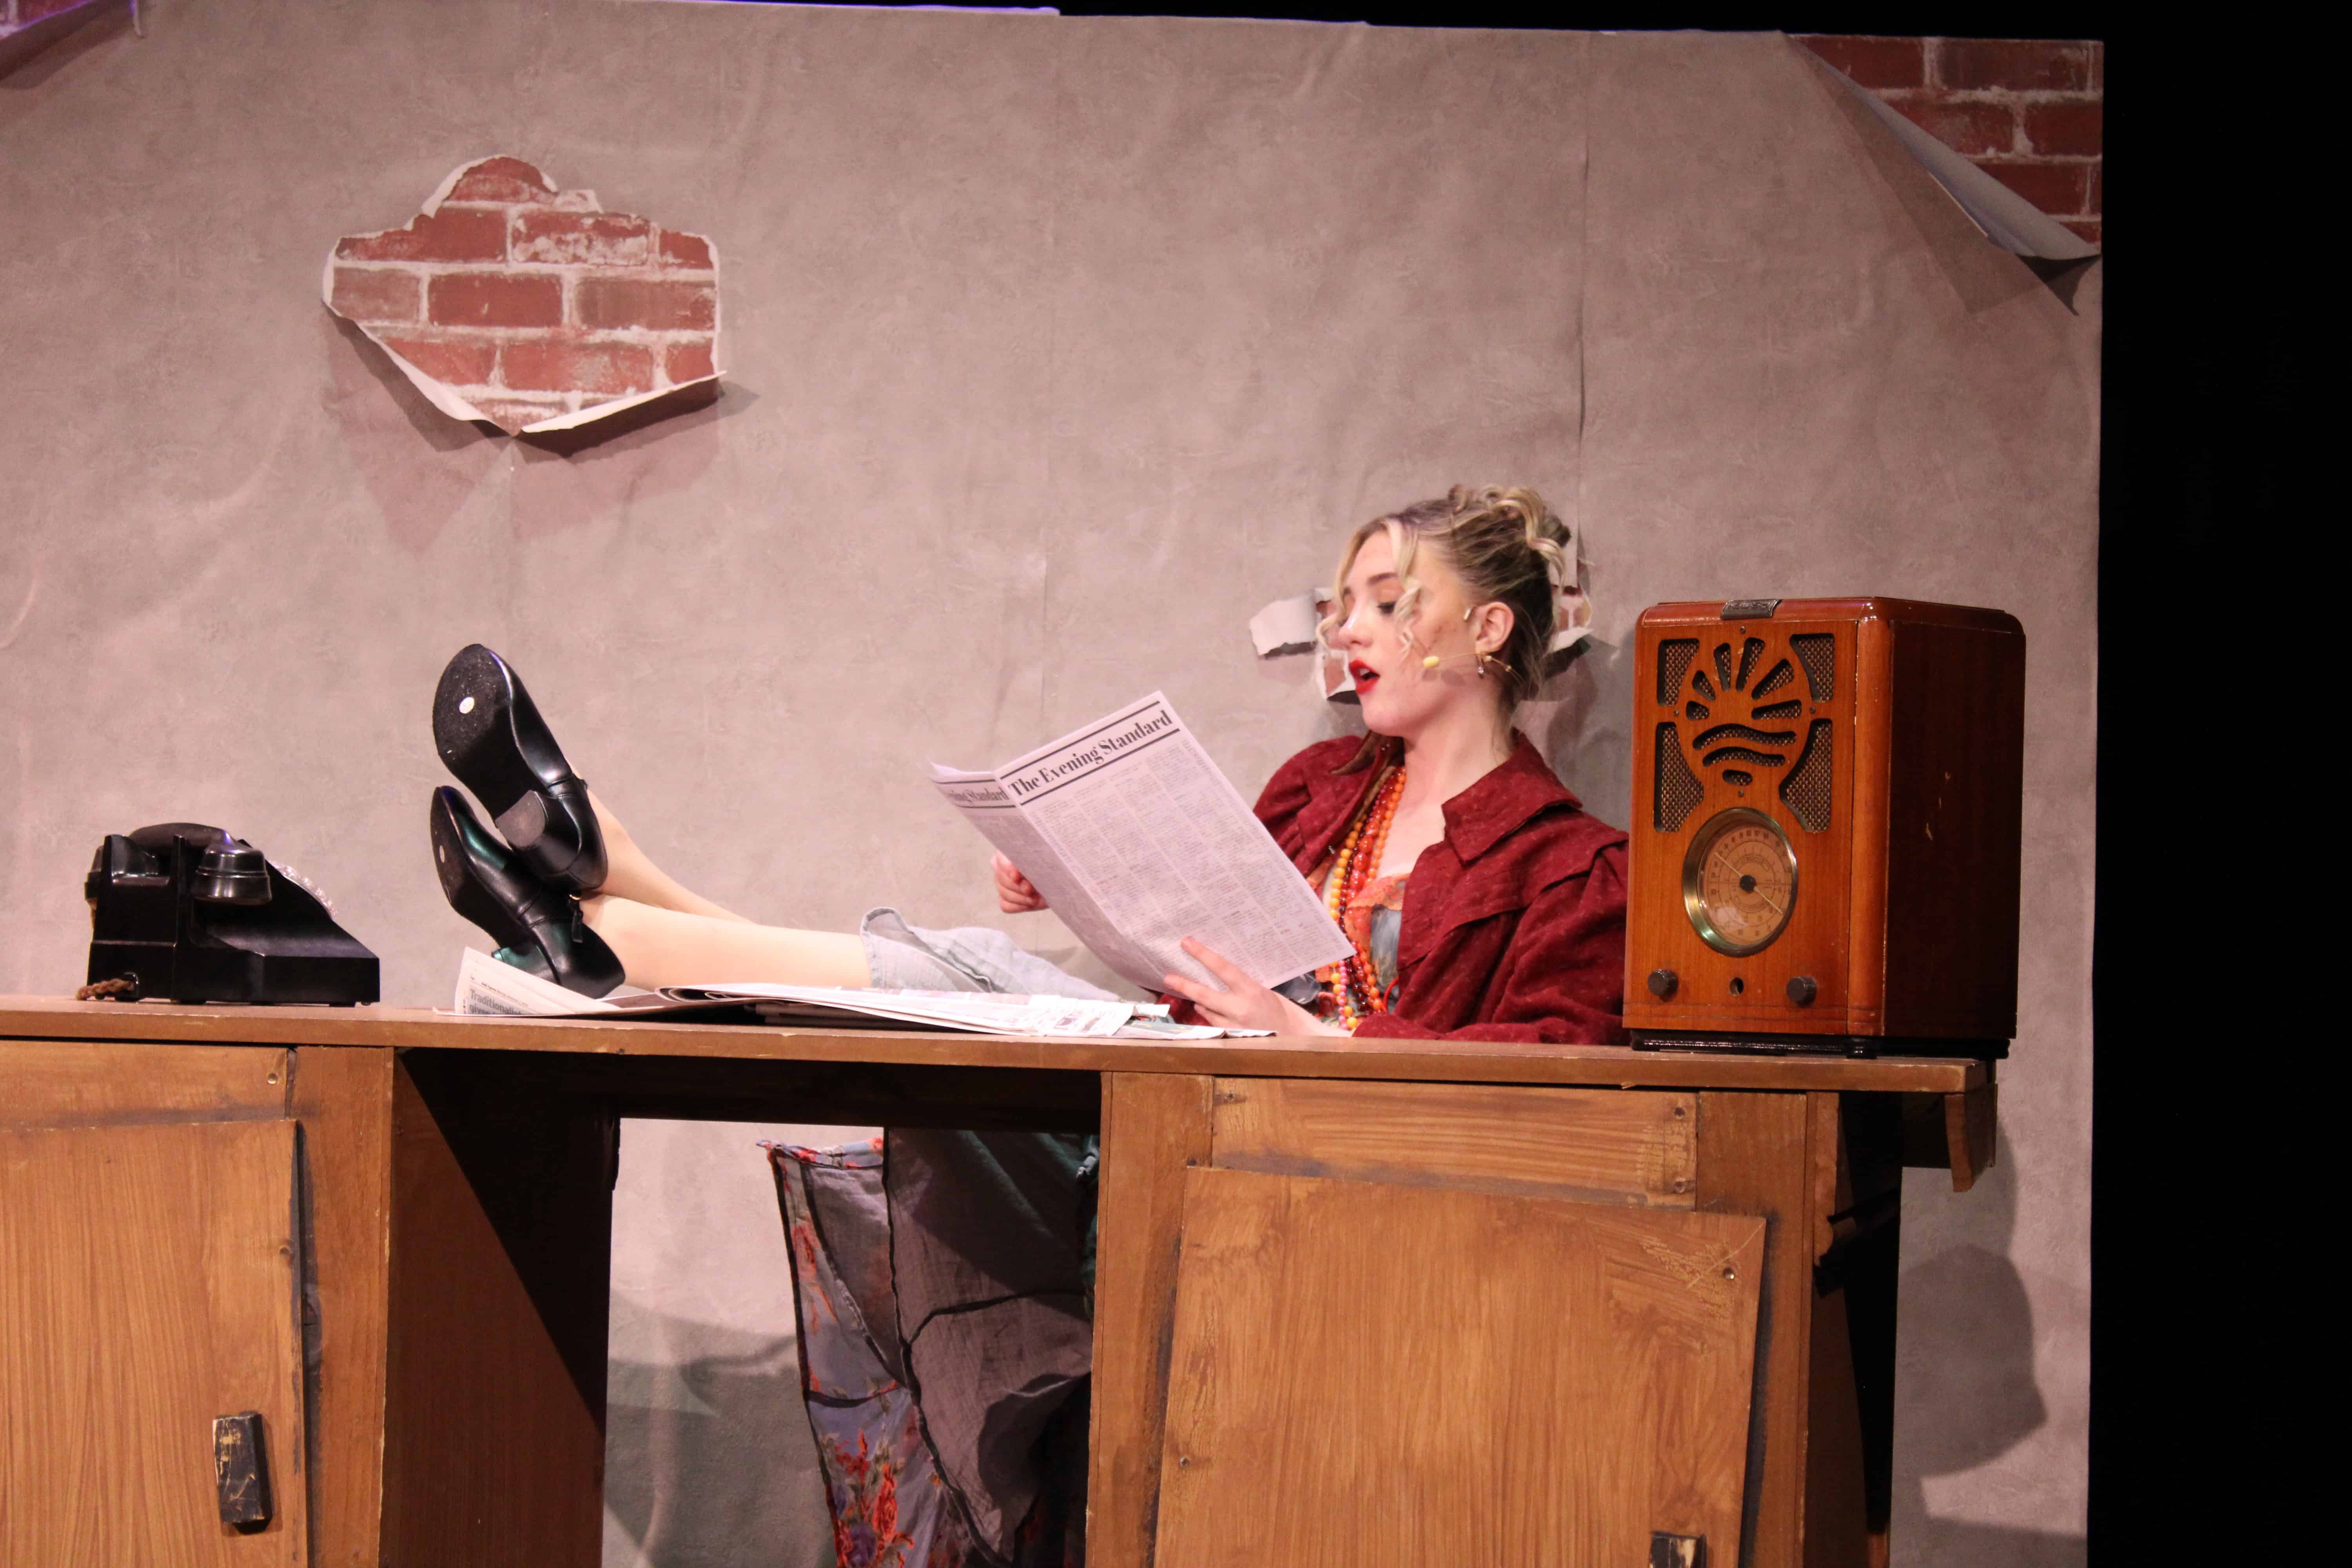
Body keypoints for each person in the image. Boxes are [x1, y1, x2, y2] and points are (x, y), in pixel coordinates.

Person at [425, 484, 1627, 1565]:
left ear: (1488, 628)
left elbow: (1564, 1070)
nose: (1351, 631)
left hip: (1305, 1193)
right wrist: (1073, 873)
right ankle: (610, 912)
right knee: (976, 980)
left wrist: (1325, 1045)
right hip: (1171, 1101)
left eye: (1389, 603)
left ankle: (608, 906)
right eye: (1342, 606)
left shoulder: (1575, 865)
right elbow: (1198, 934)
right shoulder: (1320, 793)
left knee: (976, 990)